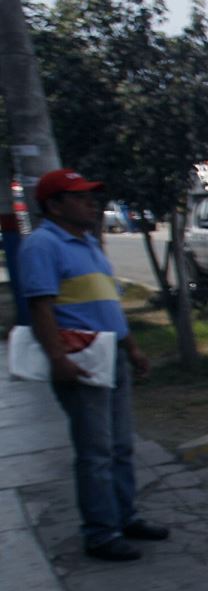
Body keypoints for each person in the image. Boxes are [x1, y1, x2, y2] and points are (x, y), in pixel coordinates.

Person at [17, 168, 167, 561]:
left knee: (119, 446)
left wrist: (132, 348)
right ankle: (100, 533)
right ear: (54, 205)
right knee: (95, 451)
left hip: (111, 353)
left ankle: (125, 516)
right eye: (80, 197)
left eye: (91, 196)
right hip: (81, 359)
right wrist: (58, 359)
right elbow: (40, 307)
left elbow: (109, 305)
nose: (91, 203)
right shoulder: (43, 245)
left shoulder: (88, 244)